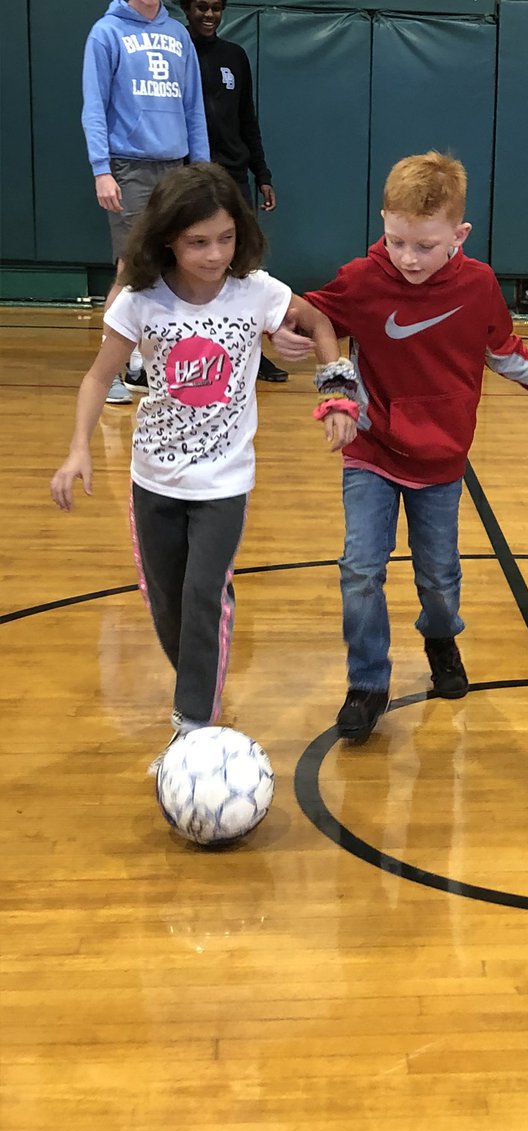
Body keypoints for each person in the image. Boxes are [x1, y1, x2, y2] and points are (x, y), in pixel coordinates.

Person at [273, 150, 528, 743]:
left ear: (459, 234)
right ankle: (367, 683)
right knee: (360, 570)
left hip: (442, 463)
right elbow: (305, 319)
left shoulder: (477, 287)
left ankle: (441, 637)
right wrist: (280, 337)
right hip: (371, 453)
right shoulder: (363, 279)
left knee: (439, 581)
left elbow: (505, 353)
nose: (408, 257)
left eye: (424, 245)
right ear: (383, 223)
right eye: (396, 241)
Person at [50, 163, 340, 770]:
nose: (214, 255)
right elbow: (98, 377)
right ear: (167, 241)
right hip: (152, 478)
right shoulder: (140, 301)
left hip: (224, 483)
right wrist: (79, 447)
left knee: (205, 594)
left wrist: (333, 386)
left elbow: (319, 323)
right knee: (166, 605)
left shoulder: (256, 291)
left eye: (226, 238)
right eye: (197, 242)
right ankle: (199, 686)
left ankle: (192, 727)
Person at [82, 0, 209, 404]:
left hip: (175, 165)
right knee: (131, 266)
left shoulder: (178, 34)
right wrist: (102, 169)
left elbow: (194, 108)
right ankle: (110, 372)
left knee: (170, 267)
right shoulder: (106, 32)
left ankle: (146, 364)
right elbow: (94, 108)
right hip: (128, 166)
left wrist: (202, 169)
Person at [178, 0, 288, 383]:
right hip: (190, 176)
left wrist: (262, 173)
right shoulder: (176, 51)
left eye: (216, 8)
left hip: (234, 174)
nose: (208, 15)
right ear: (185, 8)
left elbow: (247, 119)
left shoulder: (234, 57)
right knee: (191, 265)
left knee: (244, 263)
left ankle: (253, 353)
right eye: (200, 7)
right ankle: (193, 350)